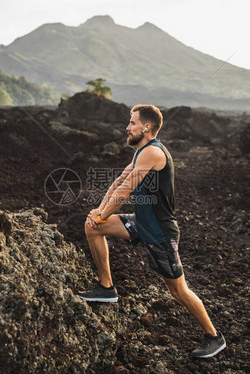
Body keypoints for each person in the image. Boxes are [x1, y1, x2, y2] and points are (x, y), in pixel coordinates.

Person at [78, 104, 226, 359]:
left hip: (161, 232)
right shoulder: (140, 152)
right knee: (93, 228)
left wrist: (101, 215)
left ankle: (214, 337)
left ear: (146, 127)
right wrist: (98, 214)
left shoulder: (154, 152)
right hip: (142, 222)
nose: (127, 127)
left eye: (132, 123)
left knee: (178, 290)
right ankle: (106, 288)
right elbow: (118, 183)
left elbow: (126, 192)